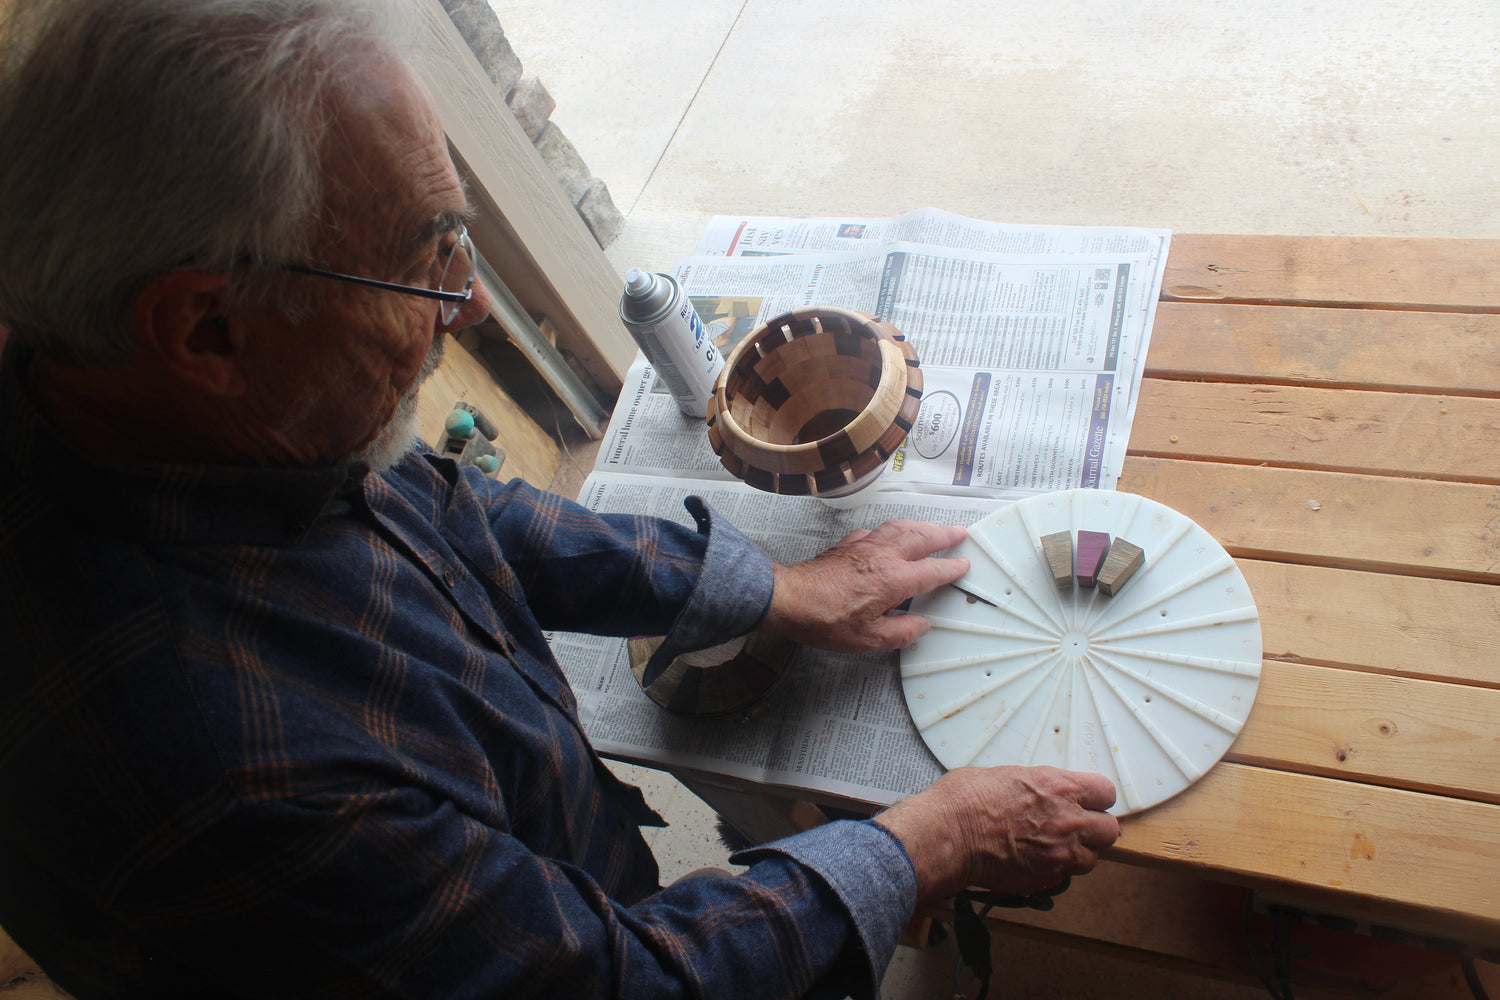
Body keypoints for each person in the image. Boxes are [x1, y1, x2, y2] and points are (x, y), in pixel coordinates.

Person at [0, 1, 1120, 997]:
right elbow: (621, 977)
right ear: (205, 329)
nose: (474, 303)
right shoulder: (234, 784)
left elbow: (445, 504)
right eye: (424, 260)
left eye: (462, 238)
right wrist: (931, 839)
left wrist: (773, 588)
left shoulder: (186, 414)